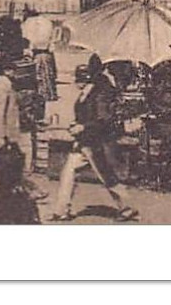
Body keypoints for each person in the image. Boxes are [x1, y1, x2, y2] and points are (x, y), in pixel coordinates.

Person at [51, 55, 138, 222]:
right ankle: (61, 209)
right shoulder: (92, 91)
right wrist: (78, 124)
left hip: (97, 142)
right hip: (85, 141)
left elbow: (103, 119)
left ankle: (127, 207)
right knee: (69, 172)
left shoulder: (100, 92)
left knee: (106, 176)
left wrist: (83, 127)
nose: (76, 82)